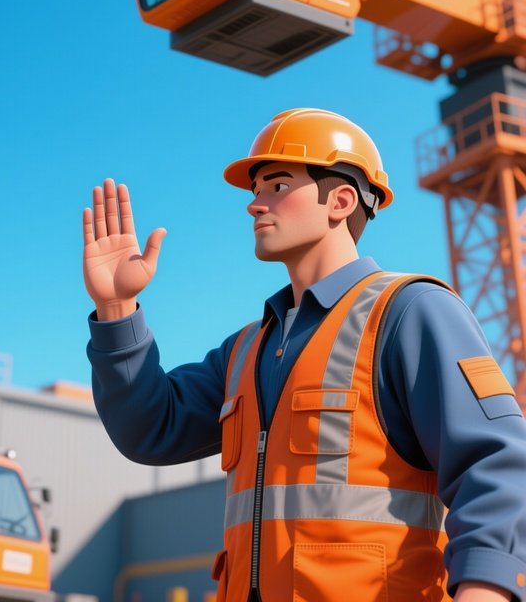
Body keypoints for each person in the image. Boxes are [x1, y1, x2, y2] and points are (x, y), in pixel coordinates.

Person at [82, 108, 526, 602]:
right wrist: (116, 308)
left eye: (276, 185)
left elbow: (497, 464)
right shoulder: (247, 348)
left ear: (340, 200)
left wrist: (487, 588)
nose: (255, 204)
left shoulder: (410, 312)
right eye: (256, 190)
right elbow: (150, 428)